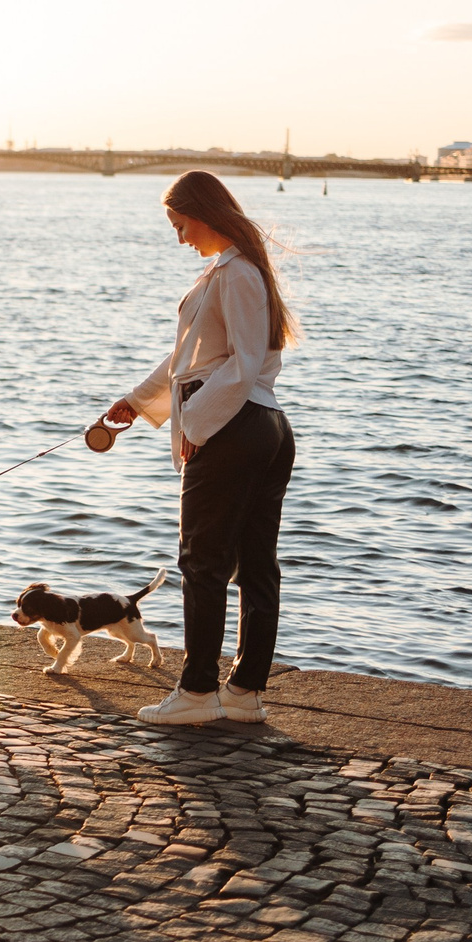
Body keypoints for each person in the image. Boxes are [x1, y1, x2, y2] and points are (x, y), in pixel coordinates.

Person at [101, 170, 298, 725]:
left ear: (203, 213)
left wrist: (198, 424)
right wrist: (137, 402)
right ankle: (242, 693)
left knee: (202, 564)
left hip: (235, 426)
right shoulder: (229, 272)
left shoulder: (235, 274)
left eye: (180, 224)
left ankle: (196, 693)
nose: (179, 237)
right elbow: (188, 359)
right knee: (256, 565)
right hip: (265, 427)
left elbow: (241, 365)